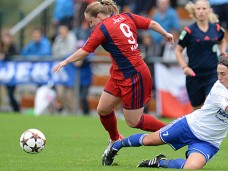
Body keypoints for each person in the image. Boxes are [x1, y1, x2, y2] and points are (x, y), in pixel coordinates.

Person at [102, 57, 228, 169]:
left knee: (192, 168)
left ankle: (159, 163)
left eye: (223, 74)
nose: (219, 78)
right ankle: (116, 145)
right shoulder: (218, 89)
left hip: (210, 141)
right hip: (189, 126)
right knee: (149, 141)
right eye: (218, 73)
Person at [52, 0, 173, 157]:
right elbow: (152, 23)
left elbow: (85, 50)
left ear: (100, 16)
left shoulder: (102, 28)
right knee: (103, 109)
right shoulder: (127, 16)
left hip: (134, 74)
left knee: (133, 122)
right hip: (119, 73)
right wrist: (165, 33)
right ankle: (115, 138)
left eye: (91, 21)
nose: (90, 25)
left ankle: (174, 131)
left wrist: (65, 61)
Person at [175, 0, 228, 111]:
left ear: (209, 11)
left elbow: (223, 40)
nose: (201, 11)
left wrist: (223, 51)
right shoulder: (188, 31)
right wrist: (185, 67)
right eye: (198, 9)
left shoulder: (217, 28)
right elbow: (178, 50)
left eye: (204, 8)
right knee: (197, 109)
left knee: (211, 101)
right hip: (194, 75)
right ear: (194, 11)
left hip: (212, 73)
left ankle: (213, 127)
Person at [0, 32, 20, 112]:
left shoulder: (13, 47)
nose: (6, 40)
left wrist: (5, 55)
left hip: (12, 75)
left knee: (10, 93)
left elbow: (16, 54)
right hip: (3, 74)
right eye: (4, 38)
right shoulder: (2, 47)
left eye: (7, 38)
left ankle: (16, 109)